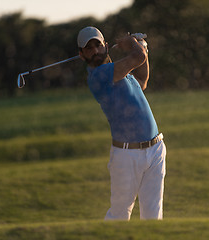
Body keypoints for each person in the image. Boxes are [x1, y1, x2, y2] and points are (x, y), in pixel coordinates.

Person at [77, 26, 167, 220]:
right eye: (88, 48)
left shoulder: (120, 72)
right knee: (119, 215)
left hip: (155, 148)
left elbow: (142, 80)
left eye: (97, 45)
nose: (94, 51)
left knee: (153, 216)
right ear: (82, 55)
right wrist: (134, 45)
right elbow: (137, 58)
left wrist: (143, 48)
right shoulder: (99, 76)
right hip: (126, 156)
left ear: (106, 47)